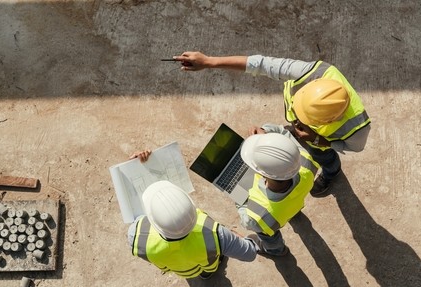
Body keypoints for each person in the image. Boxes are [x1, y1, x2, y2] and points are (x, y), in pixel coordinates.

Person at [174, 51, 371, 196]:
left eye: (303, 117)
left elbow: (353, 148)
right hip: (310, 135)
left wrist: (320, 140)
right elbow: (261, 64)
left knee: (326, 158)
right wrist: (209, 62)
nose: (296, 119)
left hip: (319, 143)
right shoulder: (313, 72)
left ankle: (331, 172)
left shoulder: (357, 128)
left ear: (328, 120)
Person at [127, 151, 260, 280]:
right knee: (208, 268)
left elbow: (135, 213)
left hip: (181, 270)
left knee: (187, 269)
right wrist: (234, 237)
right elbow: (250, 253)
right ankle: (207, 274)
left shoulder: (136, 236)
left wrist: (133, 168)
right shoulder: (217, 235)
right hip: (207, 264)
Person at [236, 124, 320, 256]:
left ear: (263, 174)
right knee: (290, 207)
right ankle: (294, 214)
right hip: (293, 203)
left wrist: (238, 197)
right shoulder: (305, 162)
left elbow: (247, 222)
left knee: (269, 236)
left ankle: (275, 250)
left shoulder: (257, 217)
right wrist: (266, 134)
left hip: (272, 220)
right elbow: (284, 134)